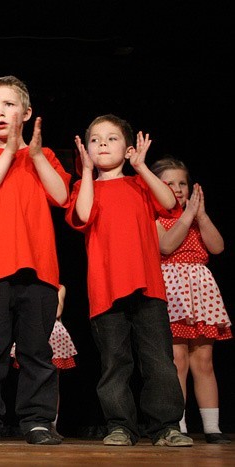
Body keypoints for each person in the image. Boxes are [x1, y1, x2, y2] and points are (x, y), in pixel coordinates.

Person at [66, 114, 193, 447]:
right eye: (95, 139)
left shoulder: (140, 183)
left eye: (112, 138)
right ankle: (121, 425)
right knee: (114, 362)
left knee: (158, 361)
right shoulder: (83, 187)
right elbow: (82, 214)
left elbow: (169, 203)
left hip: (147, 286)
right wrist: (88, 172)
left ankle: (166, 426)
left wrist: (142, 167)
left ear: (128, 148)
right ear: (86, 150)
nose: (103, 144)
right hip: (105, 290)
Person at [0, 75, 70, 445]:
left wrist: (35, 155)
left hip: (39, 269)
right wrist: (9, 150)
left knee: (36, 350)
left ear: (26, 112)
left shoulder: (44, 155)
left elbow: (61, 195)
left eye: (7, 104)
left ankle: (37, 420)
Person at [150, 157, 231, 444]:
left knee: (204, 360)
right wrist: (187, 217)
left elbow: (217, 247)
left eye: (182, 183)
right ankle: (177, 425)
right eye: (168, 184)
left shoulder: (197, 219)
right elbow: (166, 245)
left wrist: (202, 215)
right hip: (172, 291)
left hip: (201, 292)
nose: (177, 188)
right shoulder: (156, 218)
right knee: (177, 360)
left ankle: (212, 426)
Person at [10, 284, 78, 438]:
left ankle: (52, 424)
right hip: (32, 331)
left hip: (54, 334)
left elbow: (57, 311)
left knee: (53, 380)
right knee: (29, 374)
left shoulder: (60, 288)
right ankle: (30, 420)